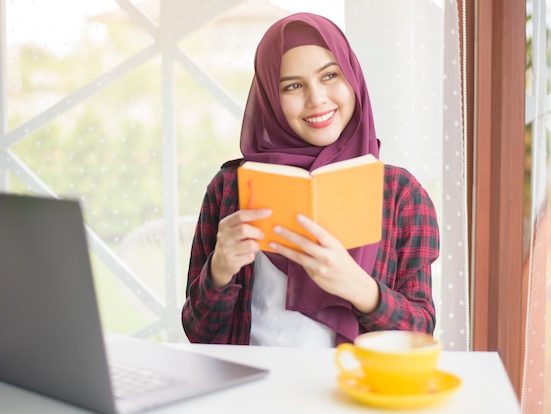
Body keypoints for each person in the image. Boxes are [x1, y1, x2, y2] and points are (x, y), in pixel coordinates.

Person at [181, 12, 439, 347]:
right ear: (270, 99)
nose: (316, 98)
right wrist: (218, 272)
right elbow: (197, 332)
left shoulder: (400, 194)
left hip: (351, 390)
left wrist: (360, 289)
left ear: (352, 79)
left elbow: (420, 333)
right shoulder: (230, 187)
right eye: (292, 85)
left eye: (330, 75)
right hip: (252, 391)